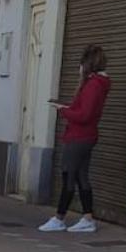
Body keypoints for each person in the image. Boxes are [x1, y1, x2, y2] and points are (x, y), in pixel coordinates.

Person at [40, 44, 111, 234]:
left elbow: (84, 115)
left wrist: (62, 110)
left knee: (68, 175)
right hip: (86, 136)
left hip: (79, 137)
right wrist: (66, 108)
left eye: (81, 63)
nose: (79, 68)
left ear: (87, 64)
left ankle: (59, 218)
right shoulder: (98, 84)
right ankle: (87, 218)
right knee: (81, 176)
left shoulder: (92, 85)